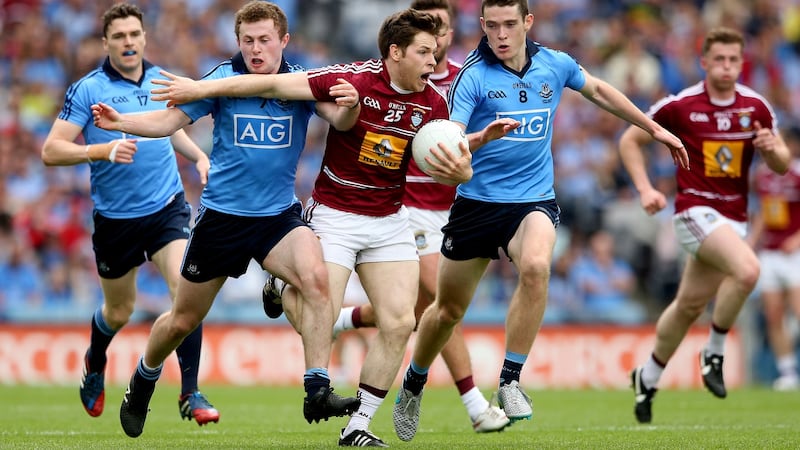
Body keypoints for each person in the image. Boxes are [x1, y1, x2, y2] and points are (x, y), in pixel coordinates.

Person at [139, 8, 517, 446]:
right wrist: (200, 88)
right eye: (425, 53)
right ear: (396, 53)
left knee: (400, 322)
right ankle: (286, 292)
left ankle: (358, 426)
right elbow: (271, 84)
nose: (435, 64)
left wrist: (475, 144)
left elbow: (439, 151)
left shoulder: (432, 102)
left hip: (389, 219)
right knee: (312, 319)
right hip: (335, 215)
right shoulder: (352, 79)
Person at [392, 0, 687, 441]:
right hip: (477, 205)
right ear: (484, 27)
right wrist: (479, 138)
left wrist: (653, 128)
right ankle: (413, 385)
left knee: (535, 266)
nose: (501, 34)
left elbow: (601, 91)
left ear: (528, 22)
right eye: (492, 26)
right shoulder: (472, 77)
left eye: (510, 24)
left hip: (533, 201)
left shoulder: (555, 64)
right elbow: (448, 141)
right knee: (447, 310)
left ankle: (510, 380)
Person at [91, 1, 361, 438]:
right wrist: (122, 120)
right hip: (221, 220)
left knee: (316, 279)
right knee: (182, 320)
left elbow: (342, 121)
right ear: (238, 42)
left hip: (277, 218)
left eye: (264, 40)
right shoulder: (220, 80)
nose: (256, 49)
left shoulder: (302, 81)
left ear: (283, 41)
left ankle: (316, 387)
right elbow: (167, 122)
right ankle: (145, 376)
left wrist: (348, 105)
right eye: (248, 41)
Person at [330, 0, 510, 434]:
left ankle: (344, 319)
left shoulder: (463, 82)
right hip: (406, 206)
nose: (439, 41)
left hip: (449, 208)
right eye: (432, 34)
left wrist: (479, 141)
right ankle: (473, 404)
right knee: (440, 300)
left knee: (415, 311)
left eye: (445, 30)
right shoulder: (403, 81)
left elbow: (451, 145)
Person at [39, 3, 219, 426]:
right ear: (106, 42)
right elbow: (51, 150)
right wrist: (101, 149)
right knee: (119, 311)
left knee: (186, 295)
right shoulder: (88, 88)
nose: (128, 42)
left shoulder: (161, 80)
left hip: (166, 209)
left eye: (134, 34)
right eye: (118, 36)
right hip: (116, 221)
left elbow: (168, 126)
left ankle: (189, 392)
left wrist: (197, 156)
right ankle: (95, 361)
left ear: (144, 37)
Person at [619, 27, 790, 424]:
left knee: (689, 305)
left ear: (741, 62)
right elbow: (630, 140)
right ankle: (714, 352)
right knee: (748, 270)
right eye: (720, 60)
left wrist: (774, 149)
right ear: (705, 63)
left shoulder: (756, 107)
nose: (727, 67)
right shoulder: (681, 106)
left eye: (734, 60)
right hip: (693, 212)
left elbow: (780, 164)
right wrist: (645, 188)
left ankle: (648, 376)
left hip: (732, 221)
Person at [750, 126, 800, 391]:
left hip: (794, 254)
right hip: (770, 253)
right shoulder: (761, 175)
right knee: (774, 315)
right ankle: (787, 371)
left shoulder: (798, 173)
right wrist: (752, 242)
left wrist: (798, 239)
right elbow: (763, 213)